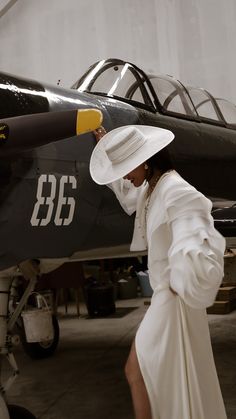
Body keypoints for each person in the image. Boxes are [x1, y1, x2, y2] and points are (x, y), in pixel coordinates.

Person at [90, 125, 227, 419]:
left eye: (127, 167)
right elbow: (127, 194)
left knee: (137, 372)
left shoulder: (175, 189)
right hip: (164, 298)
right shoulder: (151, 189)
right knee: (154, 378)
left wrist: (184, 275)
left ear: (146, 160)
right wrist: (105, 145)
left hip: (173, 299)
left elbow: (195, 229)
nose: (124, 175)